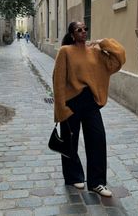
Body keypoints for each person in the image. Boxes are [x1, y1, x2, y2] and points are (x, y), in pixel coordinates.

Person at [52, 21, 126, 197]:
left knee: (97, 139)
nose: (84, 32)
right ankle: (73, 176)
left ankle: (97, 182)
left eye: (86, 29)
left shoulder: (95, 51)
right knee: (70, 141)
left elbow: (119, 59)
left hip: (90, 102)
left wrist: (103, 42)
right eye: (79, 30)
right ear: (72, 34)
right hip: (71, 102)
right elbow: (58, 80)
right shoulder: (66, 51)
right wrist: (60, 108)